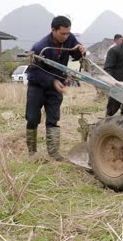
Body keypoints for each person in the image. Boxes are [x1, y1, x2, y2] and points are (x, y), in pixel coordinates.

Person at [25, 16, 86, 161]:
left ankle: (53, 153)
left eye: (68, 33)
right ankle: (32, 152)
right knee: (33, 118)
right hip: (37, 85)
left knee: (53, 118)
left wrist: (81, 51)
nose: (66, 36)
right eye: (63, 33)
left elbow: (75, 54)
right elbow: (34, 72)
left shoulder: (69, 38)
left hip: (56, 86)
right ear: (53, 30)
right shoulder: (40, 47)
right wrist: (52, 81)